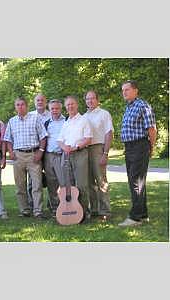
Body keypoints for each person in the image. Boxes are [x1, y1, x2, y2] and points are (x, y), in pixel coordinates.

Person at [118, 80, 157, 227]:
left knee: (136, 181)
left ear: (135, 91)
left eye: (127, 89)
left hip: (140, 146)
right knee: (137, 181)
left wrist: (150, 147)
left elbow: (152, 129)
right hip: (130, 147)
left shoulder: (142, 106)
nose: (124, 92)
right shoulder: (129, 107)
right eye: (123, 90)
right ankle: (143, 214)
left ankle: (135, 218)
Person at [4, 97, 48, 218]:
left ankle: (38, 211)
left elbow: (43, 137)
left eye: (22, 104)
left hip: (33, 155)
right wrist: (11, 152)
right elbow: (8, 139)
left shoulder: (35, 118)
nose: (20, 107)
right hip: (18, 156)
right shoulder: (12, 121)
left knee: (37, 184)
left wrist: (40, 152)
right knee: (20, 185)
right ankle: (24, 210)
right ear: (15, 107)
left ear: (27, 106)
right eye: (17, 105)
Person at [57, 95, 92, 222]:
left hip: (79, 153)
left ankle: (84, 213)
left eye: (72, 104)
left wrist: (75, 148)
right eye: (67, 105)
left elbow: (88, 139)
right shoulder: (66, 122)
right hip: (66, 155)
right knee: (67, 186)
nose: (70, 106)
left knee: (82, 185)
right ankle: (70, 212)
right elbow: (60, 140)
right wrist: (64, 147)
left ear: (77, 105)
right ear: (65, 108)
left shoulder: (84, 120)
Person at [84, 90, 113, 221]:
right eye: (87, 99)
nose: (90, 101)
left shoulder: (104, 114)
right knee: (89, 182)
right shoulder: (84, 116)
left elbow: (109, 134)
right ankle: (94, 210)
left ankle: (105, 210)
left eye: (92, 98)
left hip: (98, 149)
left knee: (101, 181)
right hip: (85, 150)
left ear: (97, 99)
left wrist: (105, 153)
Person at [28, 93, 51, 209]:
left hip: (49, 151)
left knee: (51, 178)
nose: (40, 102)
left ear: (45, 102)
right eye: (37, 100)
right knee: (33, 180)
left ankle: (53, 204)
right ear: (34, 102)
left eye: (42, 100)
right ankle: (32, 204)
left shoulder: (52, 114)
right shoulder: (30, 115)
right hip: (34, 150)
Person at [43, 99, 65, 216]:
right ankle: (54, 208)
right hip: (49, 156)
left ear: (60, 109)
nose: (54, 110)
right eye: (52, 109)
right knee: (51, 184)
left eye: (57, 108)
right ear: (49, 109)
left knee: (64, 182)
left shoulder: (66, 121)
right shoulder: (47, 123)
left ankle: (66, 206)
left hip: (62, 155)